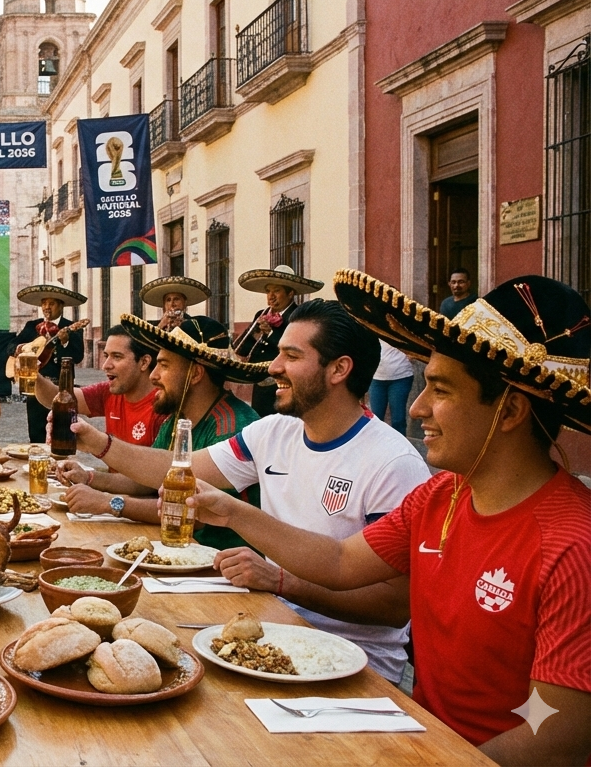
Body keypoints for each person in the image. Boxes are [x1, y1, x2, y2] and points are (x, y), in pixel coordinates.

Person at [190, 271, 591, 764]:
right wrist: (231, 510)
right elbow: (340, 561)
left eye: (440, 390)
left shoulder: (573, 545)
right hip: (414, 736)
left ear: (510, 412)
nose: (417, 408)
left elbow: (555, 737)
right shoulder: (441, 496)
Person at [73, 299, 430, 682]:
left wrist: (282, 582)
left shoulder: (393, 463)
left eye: (292, 356)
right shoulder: (274, 431)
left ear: (339, 369)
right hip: (269, 630)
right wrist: (95, 441)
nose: (273, 367)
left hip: (357, 668)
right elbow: (176, 470)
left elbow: (394, 606)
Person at [58, 318, 267, 552]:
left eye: (164, 366)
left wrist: (110, 503)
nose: (153, 376)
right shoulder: (178, 417)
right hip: (184, 551)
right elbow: (148, 479)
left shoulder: (232, 426)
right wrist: (89, 478)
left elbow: (191, 513)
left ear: (195, 374)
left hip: (221, 561)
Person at [33, 324, 162, 448]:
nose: (105, 365)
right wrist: (33, 373)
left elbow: (159, 463)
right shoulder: (108, 391)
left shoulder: (163, 405)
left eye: (117, 357)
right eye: (106, 356)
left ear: (144, 362)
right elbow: (57, 397)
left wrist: (96, 442)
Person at [233, 265, 324, 416]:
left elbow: (296, 349)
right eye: (268, 291)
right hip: (260, 386)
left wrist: (270, 333)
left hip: (284, 385)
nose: (271, 296)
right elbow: (242, 349)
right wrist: (255, 333)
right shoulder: (261, 314)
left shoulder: (298, 316)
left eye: (276, 291)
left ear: (290, 293)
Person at [15, 284, 87, 443]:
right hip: (35, 387)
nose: (47, 307)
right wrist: (24, 348)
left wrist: (65, 343)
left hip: (61, 388)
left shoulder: (72, 328)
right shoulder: (32, 326)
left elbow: (78, 356)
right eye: (44, 303)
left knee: (62, 431)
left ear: (61, 306)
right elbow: (11, 346)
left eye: (52, 303)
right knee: (36, 432)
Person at [139, 276, 230, 348]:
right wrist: (161, 326)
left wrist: (183, 327)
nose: (172, 304)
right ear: (164, 305)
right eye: (168, 300)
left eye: (176, 299)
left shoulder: (199, 324)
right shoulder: (152, 327)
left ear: (185, 302)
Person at [369, 339, 414, 437]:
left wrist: (413, 355)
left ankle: (399, 445)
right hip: (376, 378)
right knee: (375, 418)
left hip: (401, 377)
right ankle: (377, 444)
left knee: (398, 419)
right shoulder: (373, 330)